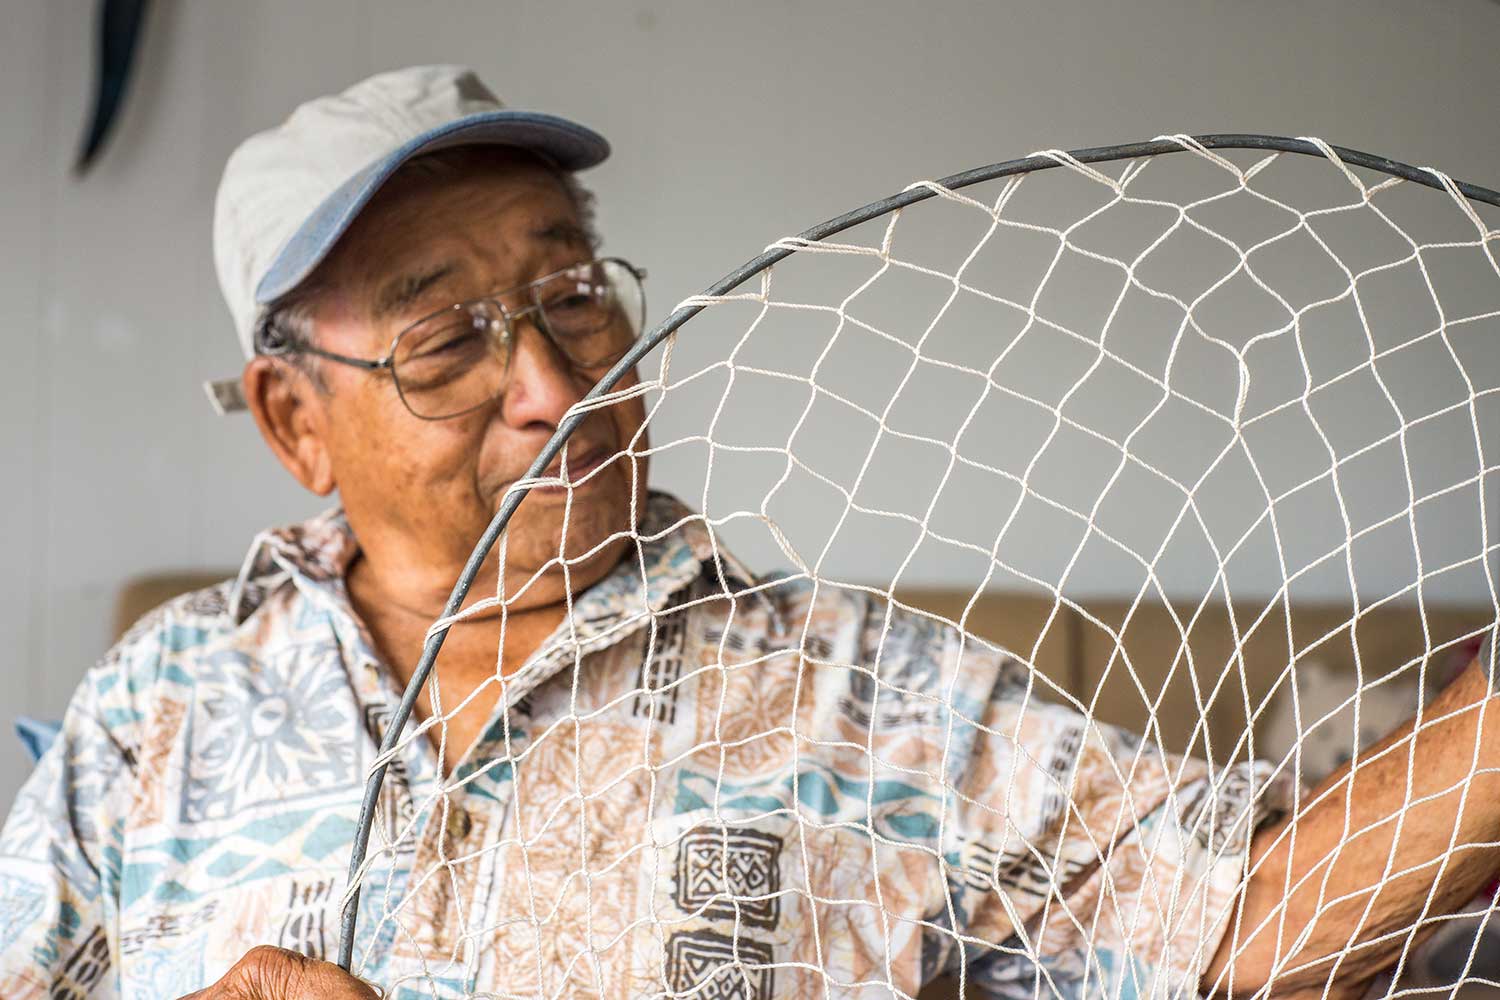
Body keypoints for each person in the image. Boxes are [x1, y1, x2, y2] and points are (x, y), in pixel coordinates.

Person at [2, 64, 1499, 1000]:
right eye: (446, 338)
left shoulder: (869, 689)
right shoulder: (162, 700)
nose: (549, 386)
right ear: (294, 421)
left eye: (572, 293)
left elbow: (1241, 925)